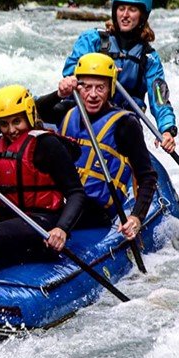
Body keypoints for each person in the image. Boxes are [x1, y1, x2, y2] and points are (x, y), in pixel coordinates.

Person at [37, 53, 158, 240]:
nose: (92, 95)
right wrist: (59, 94)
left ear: (110, 88)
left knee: (41, 222)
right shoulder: (67, 111)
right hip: (62, 199)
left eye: (100, 88)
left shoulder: (125, 124)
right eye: (86, 87)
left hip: (95, 209)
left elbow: (147, 176)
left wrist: (136, 217)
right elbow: (36, 112)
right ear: (78, 87)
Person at [0, 85, 86, 267]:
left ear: (29, 116)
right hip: (4, 215)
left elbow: (76, 192)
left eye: (17, 121)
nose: (11, 130)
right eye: (4, 124)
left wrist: (62, 229)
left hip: (41, 220)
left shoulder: (47, 145)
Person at [59, 0, 177, 153]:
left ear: (143, 15)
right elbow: (71, 72)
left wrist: (167, 129)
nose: (125, 15)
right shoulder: (93, 40)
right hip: (85, 113)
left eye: (132, 9)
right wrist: (100, 71)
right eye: (121, 9)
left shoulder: (149, 58)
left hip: (122, 122)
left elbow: (160, 98)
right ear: (114, 11)